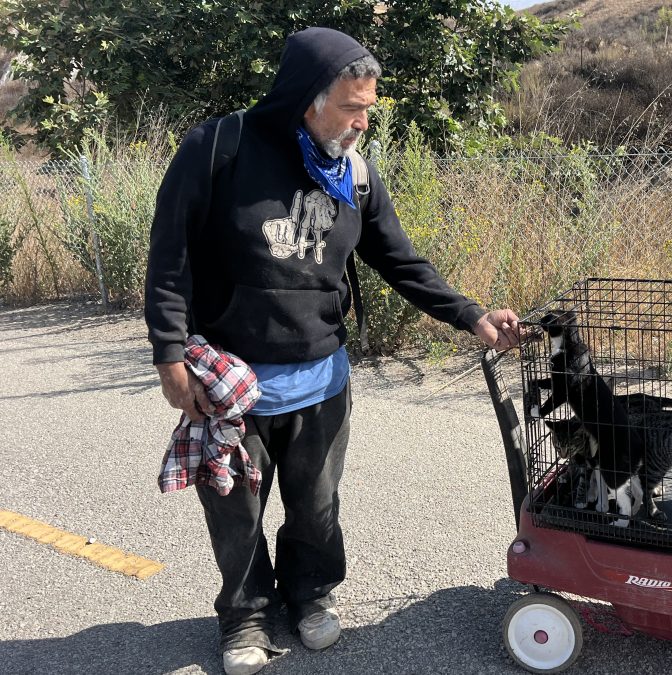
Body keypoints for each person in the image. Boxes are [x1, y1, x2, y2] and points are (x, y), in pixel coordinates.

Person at [144, 26, 520, 675]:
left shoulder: (353, 173)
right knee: (235, 509)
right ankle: (244, 613)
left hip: (321, 378)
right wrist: (170, 354)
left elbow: (399, 258)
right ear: (307, 99)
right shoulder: (220, 149)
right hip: (229, 380)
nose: (363, 121)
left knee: (316, 507)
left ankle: (308, 590)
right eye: (354, 106)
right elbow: (169, 256)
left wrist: (472, 316)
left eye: (370, 106)